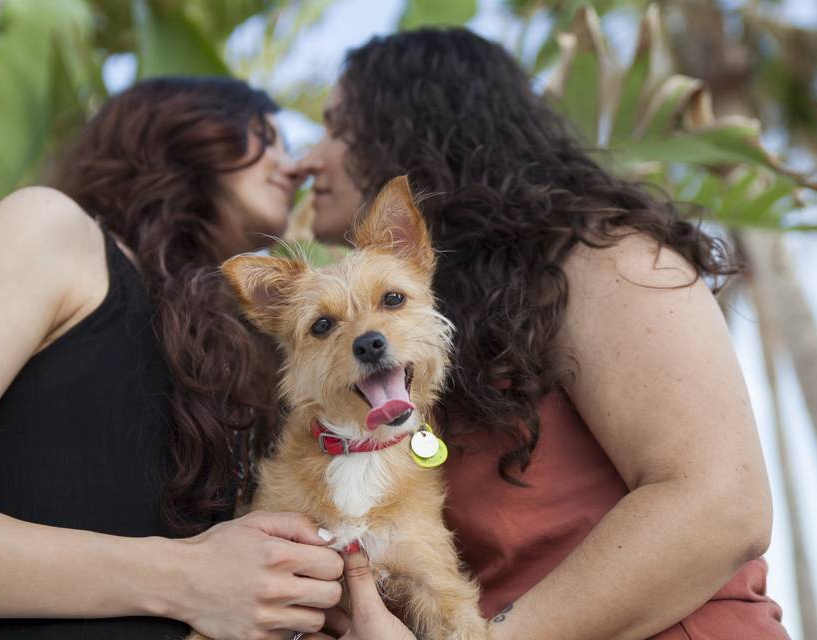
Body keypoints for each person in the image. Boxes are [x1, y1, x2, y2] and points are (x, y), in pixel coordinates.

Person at [296, 28, 788, 639]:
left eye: (338, 128)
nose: (306, 158)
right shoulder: (417, 334)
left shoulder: (604, 257)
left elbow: (721, 505)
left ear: (414, 127)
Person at [0, 76, 346, 639]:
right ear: (175, 129)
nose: (291, 166)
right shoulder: (52, 233)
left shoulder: (248, 344)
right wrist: (187, 576)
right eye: (262, 137)